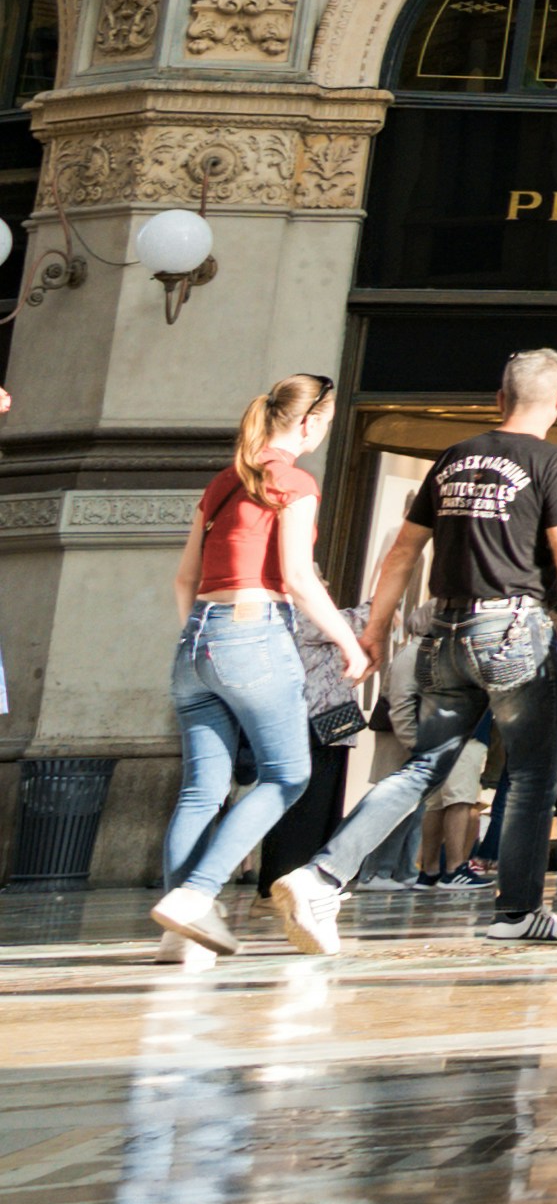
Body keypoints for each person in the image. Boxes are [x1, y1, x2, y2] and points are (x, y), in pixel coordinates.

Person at [294, 349, 557, 944]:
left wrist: (373, 631)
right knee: (534, 775)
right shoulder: (552, 461)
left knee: (423, 769)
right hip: (516, 635)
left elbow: (402, 553)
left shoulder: (454, 458)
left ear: (499, 398)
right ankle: (516, 913)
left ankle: (322, 873)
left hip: (446, 635)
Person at [150, 375, 363, 963]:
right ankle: (195, 895)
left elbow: (184, 579)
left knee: (201, 791)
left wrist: (203, 635)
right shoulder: (293, 481)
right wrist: (351, 641)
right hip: (254, 631)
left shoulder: (223, 483)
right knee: (289, 775)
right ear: (310, 423)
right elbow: (296, 578)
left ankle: (179, 933)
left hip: (196, 641)